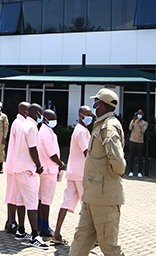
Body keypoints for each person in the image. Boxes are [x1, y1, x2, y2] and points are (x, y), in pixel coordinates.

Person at [67, 88, 126, 256]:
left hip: (104, 196)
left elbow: (118, 163)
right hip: (92, 195)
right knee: (81, 240)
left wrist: (116, 170)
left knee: (109, 245)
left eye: (96, 102)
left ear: (100, 104)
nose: (93, 105)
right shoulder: (100, 125)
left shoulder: (109, 127)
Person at [51, 106, 93, 246]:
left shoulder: (81, 130)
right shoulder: (81, 131)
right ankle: (89, 236)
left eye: (91, 115)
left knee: (67, 202)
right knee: (87, 205)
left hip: (73, 173)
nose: (90, 117)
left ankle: (56, 233)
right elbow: (87, 152)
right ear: (80, 115)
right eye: (88, 115)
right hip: (81, 174)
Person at [12, 103, 48, 248]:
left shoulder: (22, 124)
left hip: (19, 167)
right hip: (27, 169)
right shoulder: (32, 127)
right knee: (32, 202)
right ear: (37, 114)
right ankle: (34, 236)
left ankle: (21, 230)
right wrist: (39, 165)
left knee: (21, 200)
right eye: (41, 114)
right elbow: (33, 149)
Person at [37, 109, 65, 240]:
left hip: (47, 169)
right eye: (52, 119)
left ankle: (39, 224)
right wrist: (61, 164)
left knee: (41, 198)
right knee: (46, 200)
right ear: (46, 119)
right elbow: (51, 153)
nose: (55, 121)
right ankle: (45, 227)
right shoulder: (45, 133)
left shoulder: (46, 131)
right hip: (49, 170)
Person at [4, 102, 29, 235]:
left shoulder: (19, 122)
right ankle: (12, 222)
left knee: (14, 194)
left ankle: (10, 220)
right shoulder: (19, 124)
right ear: (24, 111)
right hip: (15, 165)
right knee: (13, 195)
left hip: (16, 164)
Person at [126, 109, 148, 177]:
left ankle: (140, 172)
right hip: (132, 140)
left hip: (140, 142)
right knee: (131, 157)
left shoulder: (145, 123)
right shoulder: (133, 121)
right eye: (138, 114)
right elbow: (130, 128)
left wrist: (139, 123)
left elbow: (143, 130)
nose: (139, 115)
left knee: (140, 157)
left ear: (143, 115)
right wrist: (133, 121)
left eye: (140, 114)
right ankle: (130, 171)